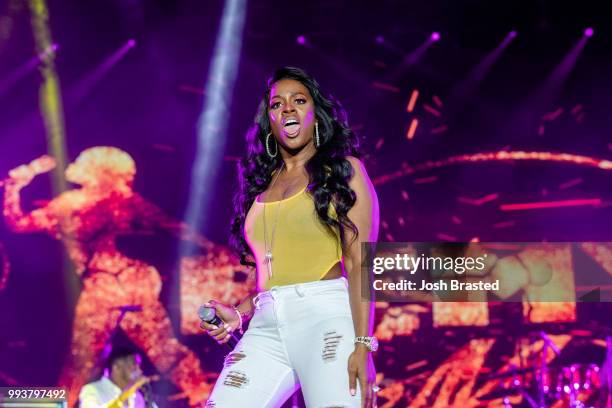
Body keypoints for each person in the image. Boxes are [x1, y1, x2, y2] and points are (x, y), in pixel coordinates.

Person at [200, 66, 380, 407]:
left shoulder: (342, 171)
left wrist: (362, 344)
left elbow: (359, 263)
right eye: (276, 104)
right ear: (269, 120)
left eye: (298, 100)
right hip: (266, 326)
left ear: (315, 115)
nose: (287, 109)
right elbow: (273, 276)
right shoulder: (259, 186)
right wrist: (239, 312)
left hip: (327, 321)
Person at [3, 147, 212, 406]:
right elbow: (172, 226)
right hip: (128, 285)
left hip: (108, 288)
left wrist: (17, 182)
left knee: (84, 360)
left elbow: (17, 222)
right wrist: (209, 245)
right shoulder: (118, 200)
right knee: (161, 349)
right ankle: (203, 397)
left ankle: (60, 403)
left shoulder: (73, 204)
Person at [78, 346, 158, 408]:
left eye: (139, 365)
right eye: (133, 364)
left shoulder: (138, 396)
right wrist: (124, 396)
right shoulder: (93, 390)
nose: (139, 370)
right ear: (116, 367)